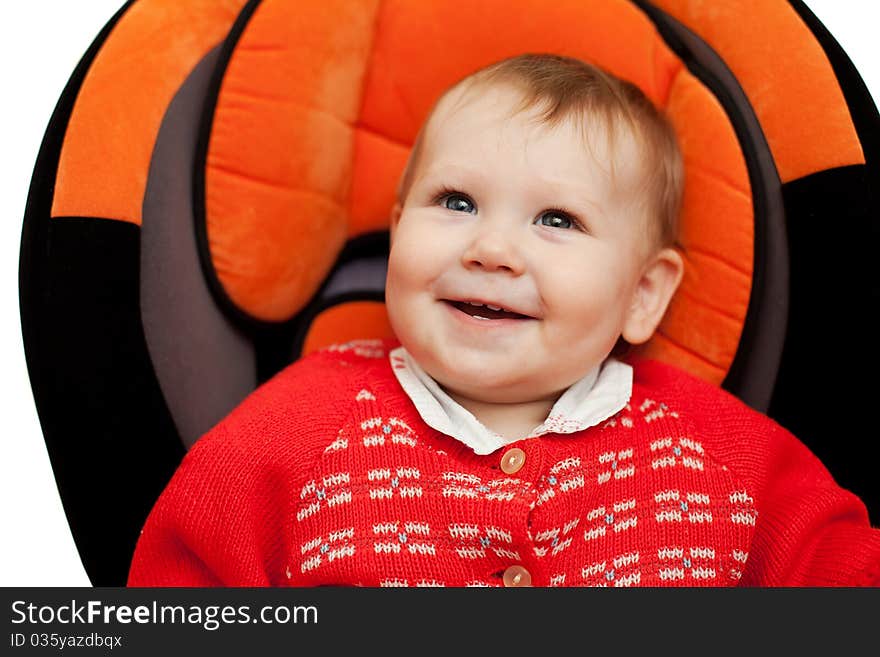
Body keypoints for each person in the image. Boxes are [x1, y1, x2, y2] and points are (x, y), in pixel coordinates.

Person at [127, 54, 880, 587]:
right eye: (455, 202)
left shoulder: (725, 457)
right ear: (397, 232)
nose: (490, 249)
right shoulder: (288, 435)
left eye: (557, 218)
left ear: (644, 293)